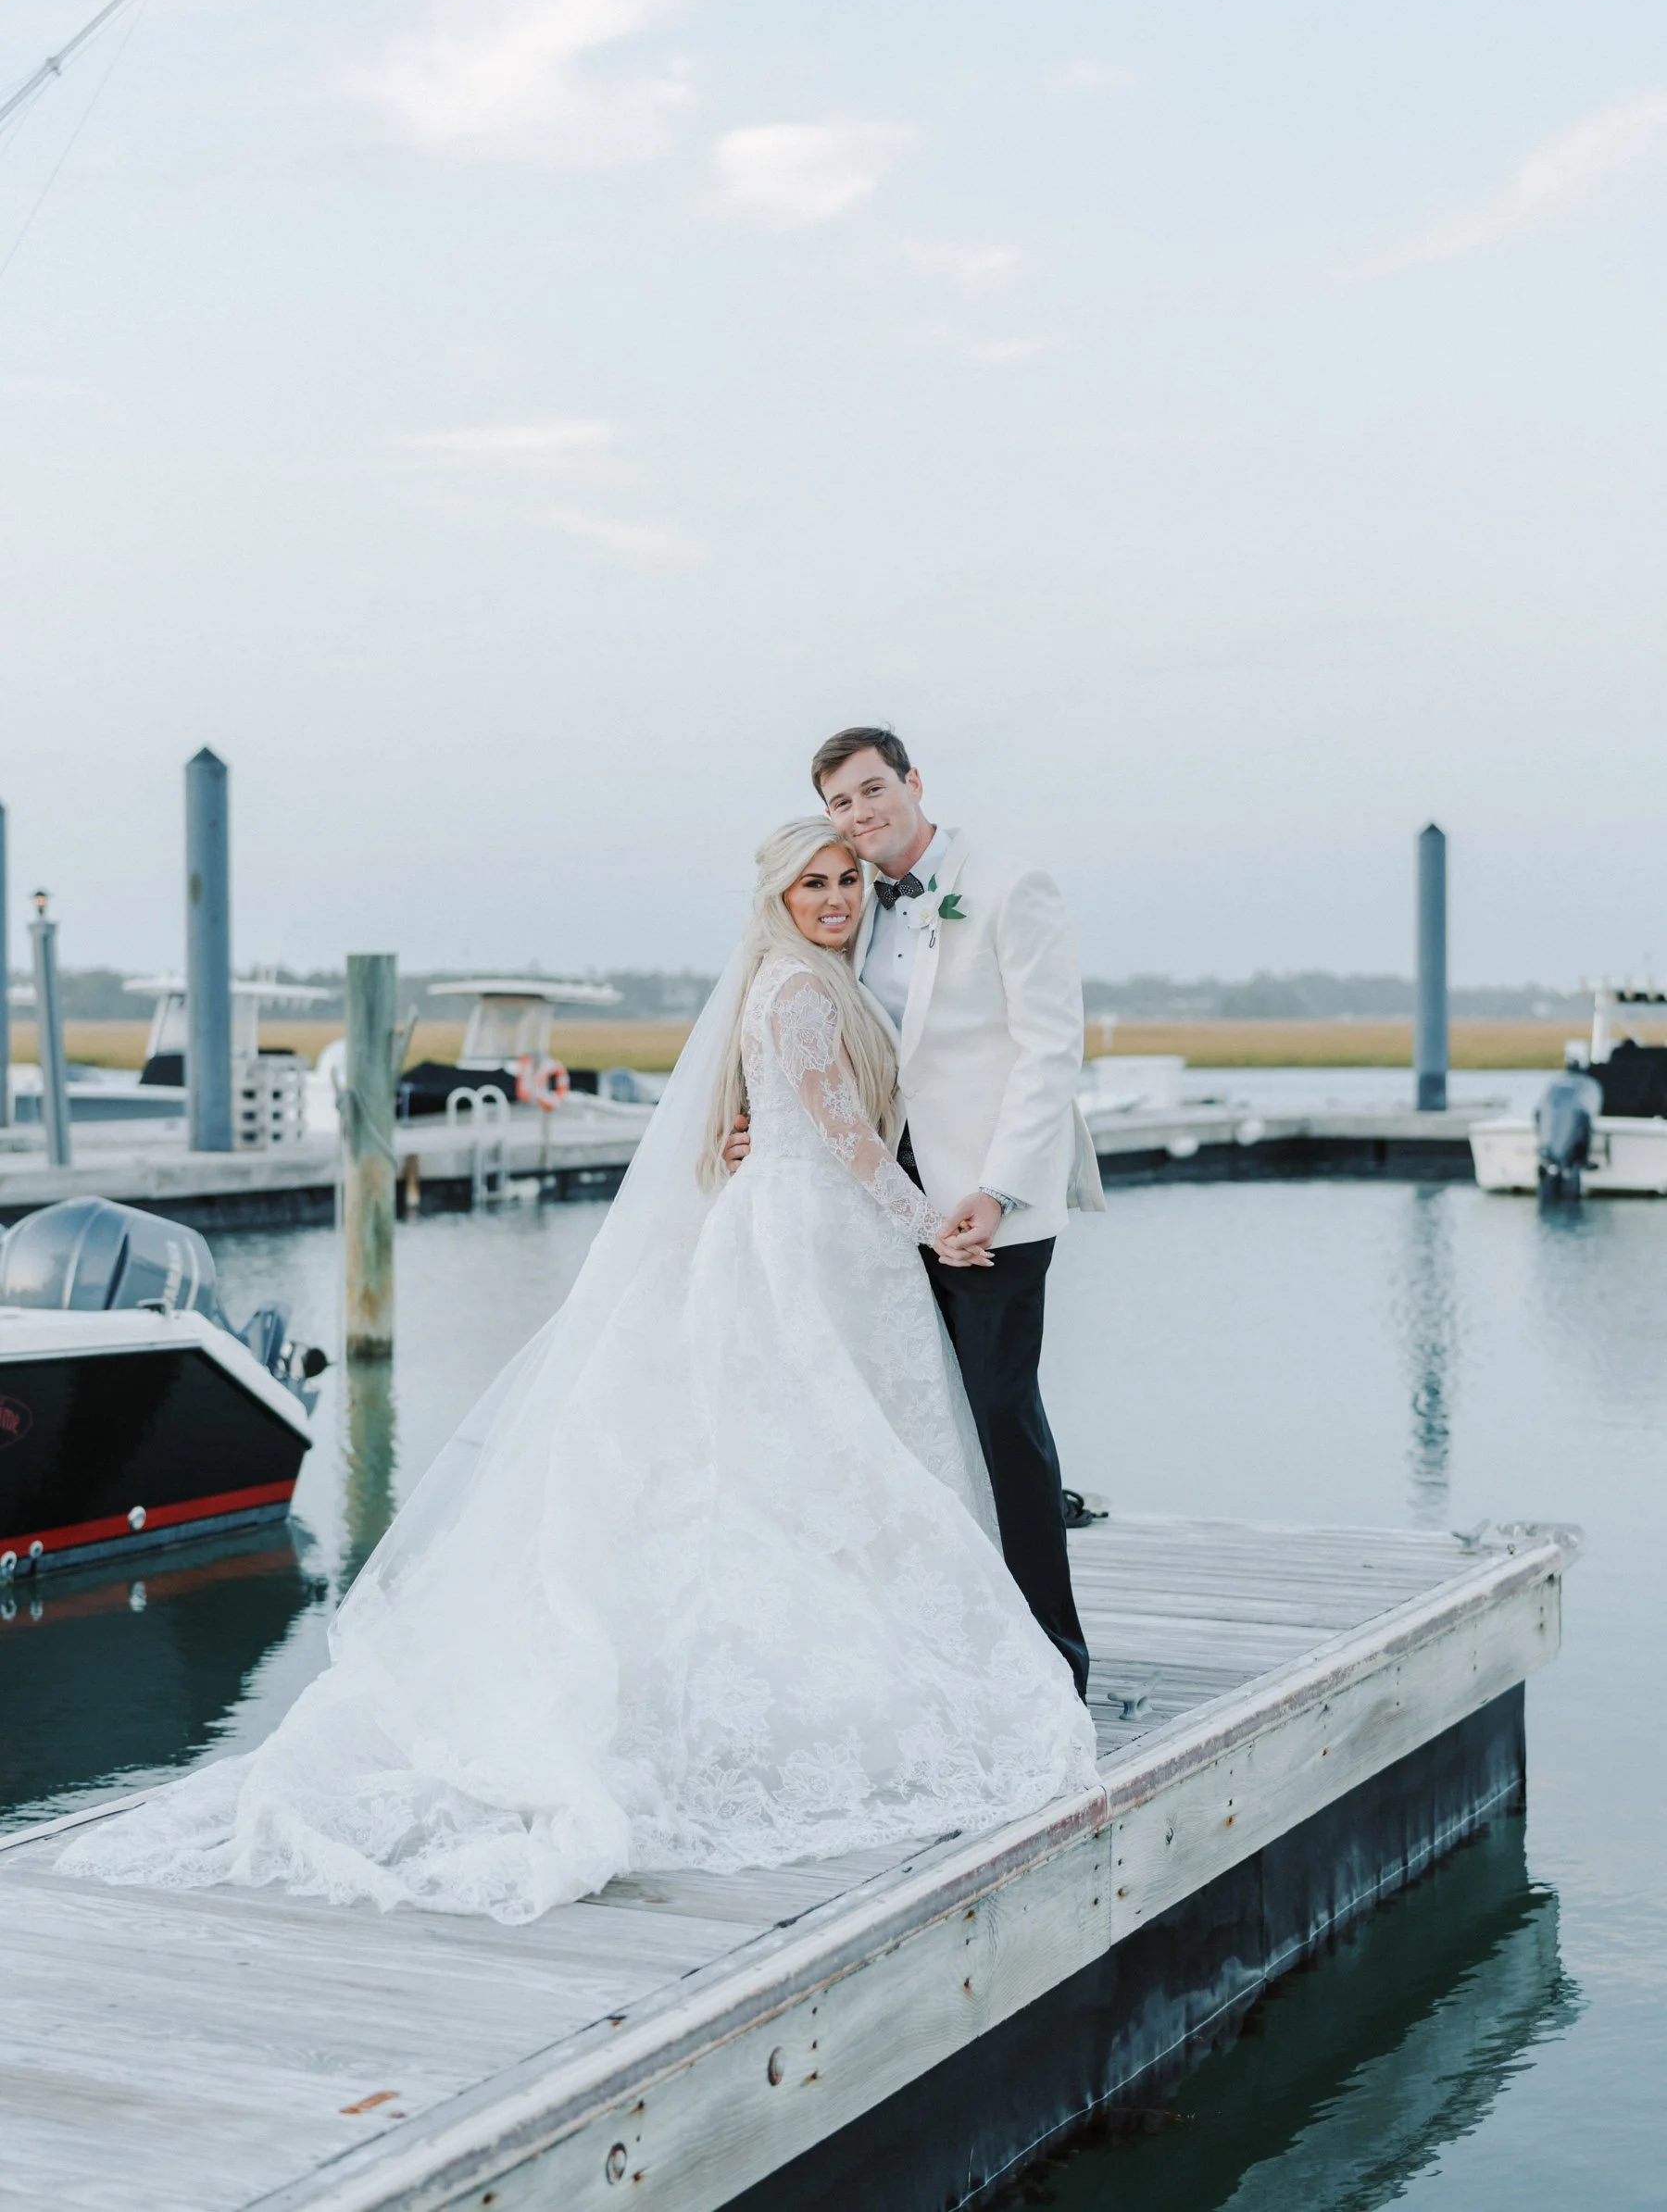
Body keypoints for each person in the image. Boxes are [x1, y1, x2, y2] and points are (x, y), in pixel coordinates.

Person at [56, 819, 1097, 1925]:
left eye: (847, 880)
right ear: (778, 897)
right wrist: (935, 1226)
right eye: (815, 884)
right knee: (829, 1442)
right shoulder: (795, 991)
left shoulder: (805, 979)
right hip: (812, 1231)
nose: (837, 898)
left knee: (833, 1445)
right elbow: (844, 1137)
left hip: (824, 1228)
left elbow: (817, 1117)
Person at [725, 730, 1103, 1695]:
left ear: (912, 783)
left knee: (997, 1420)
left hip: (986, 1210)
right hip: (876, 1217)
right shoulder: (851, 902)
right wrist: (770, 1135)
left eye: (871, 791)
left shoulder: (1011, 889)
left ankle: (1051, 1658)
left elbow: (1049, 1055)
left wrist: (998, 1187)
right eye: (841, 802)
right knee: (901, 1429)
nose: (860, 815)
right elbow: (832, 1050)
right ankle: (935, 1649)